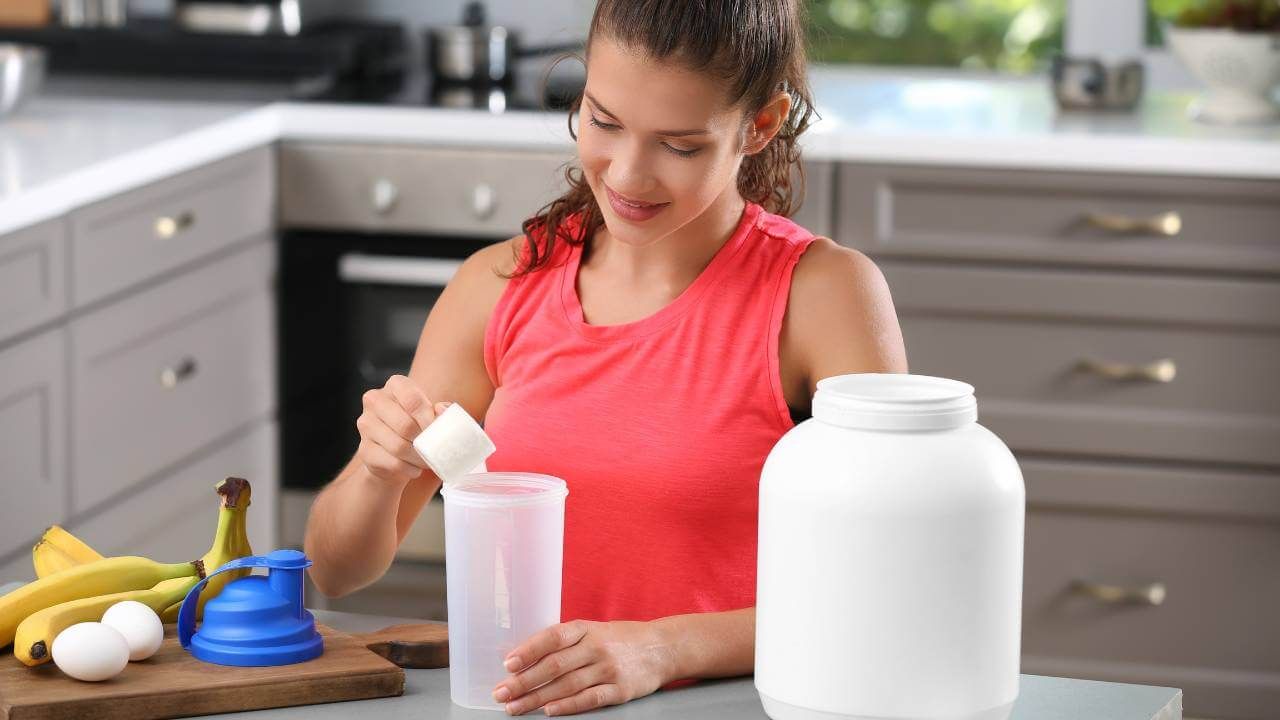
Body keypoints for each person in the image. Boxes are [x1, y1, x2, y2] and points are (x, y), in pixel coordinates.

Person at [304, 0, 907, 715]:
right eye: (603, 121)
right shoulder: (499, 287)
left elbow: (886, 587)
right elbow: (336, 572)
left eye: (678, 145)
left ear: (760, 126)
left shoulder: (822, 295)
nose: (626, 174)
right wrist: (379, 470)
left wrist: (660, 648)